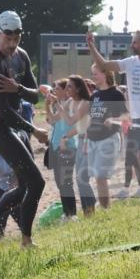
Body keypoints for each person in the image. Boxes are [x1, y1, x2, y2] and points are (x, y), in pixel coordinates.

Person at [0, 11, 50, 248]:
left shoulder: (22, 56)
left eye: (17, 36)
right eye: (8, 36)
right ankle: (25, 240)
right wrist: (35, 130)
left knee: (27, 185)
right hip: (0, 128)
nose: (12, 42)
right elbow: (2, 109)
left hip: (16, 126)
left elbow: (34, 94)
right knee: (37, 182)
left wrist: (17, 87)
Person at [87, 29, 140, 201]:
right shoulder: (130, 62)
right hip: (136, 118)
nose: (132, 44)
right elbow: (104, 65)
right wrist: (91, 45)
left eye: (135, 42)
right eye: (133, 41)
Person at [85, 65, 126, 208]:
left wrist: (114, 119)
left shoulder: (116, 94)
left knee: (101, 176)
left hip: (108, 139)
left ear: (105, 74)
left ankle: (105, 209)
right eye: (92, 74)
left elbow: (126, 115)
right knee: (97, 177)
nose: (93, 77)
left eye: (95, 74)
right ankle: (105, 206)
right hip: (92, 140)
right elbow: (90, 118)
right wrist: (85, 140)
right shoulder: (94, 95)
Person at [58, 76, 97, 216]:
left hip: (90, 141)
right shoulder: (70, 101)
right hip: (82, 140)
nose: (67, 89)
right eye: (66, 86)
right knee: (80, 179)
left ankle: (90, 209)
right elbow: (57, 118)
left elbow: (70, 121)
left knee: (82, 179)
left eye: (69, 86)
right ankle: (89, 210)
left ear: (78, 88)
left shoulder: (85, 103)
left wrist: (59, 107)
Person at [46, 80, 78, 219]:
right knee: (60, 182)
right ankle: (67, 213)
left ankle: (72, 214)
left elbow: (67, 117)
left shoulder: (70, 102)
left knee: (66, 181)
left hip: (68, 146)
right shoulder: (59, 104)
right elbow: (52, 120)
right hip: (56, 146)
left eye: (57, 88)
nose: (54, 90)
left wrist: (55, 103)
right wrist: (48, 105)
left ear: (66, 91)